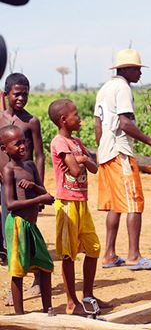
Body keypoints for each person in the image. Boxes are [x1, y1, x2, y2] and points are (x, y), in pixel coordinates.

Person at [94, 48, 151, 270]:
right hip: (120, 153)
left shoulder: (104, 88)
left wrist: (101, 149)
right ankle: (134, 256)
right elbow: (125, 123)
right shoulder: (123, 88)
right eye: (137, 69)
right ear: (126, 70)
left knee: (116, 206)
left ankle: (109, 255)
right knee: (134, 203)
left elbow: (97, 125)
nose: (140, 73)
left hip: (106, 153)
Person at [48, 99, 111, 314]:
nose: (80, 118)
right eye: (75, 114)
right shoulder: (59, 142)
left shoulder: (75, 142)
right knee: (68, 254)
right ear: (64, 120)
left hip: (81, 202)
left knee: (93, 248)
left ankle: (88, 295)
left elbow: (93, 168)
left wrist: (82, 157)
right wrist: (82, 160)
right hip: (67, 204)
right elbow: (75, 171)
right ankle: (71, 302)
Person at [0, 125, 54, 314]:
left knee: (45, 266)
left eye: (24, 142)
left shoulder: (30, 166)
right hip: (17, 225)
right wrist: (40, 199)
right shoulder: (8, 171)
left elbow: (47, 194)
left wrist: (34, 186)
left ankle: (48, 309)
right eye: (17, 144)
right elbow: (10, 204)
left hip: (31, 225)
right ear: (4, 149)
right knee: (18, 270)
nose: (23, 146)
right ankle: (20, 315)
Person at [0, 73, 44, 302]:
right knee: (11, 235)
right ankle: (16, 285)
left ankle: (37, 280)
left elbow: (39, 156)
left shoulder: (31, 121)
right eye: (17, 94)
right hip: (5, 185)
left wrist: (39, 187)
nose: (21, 98)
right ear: (6, 94)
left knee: (29, 232)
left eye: (25, 94)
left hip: (26, 186)